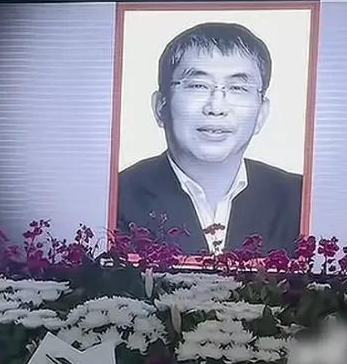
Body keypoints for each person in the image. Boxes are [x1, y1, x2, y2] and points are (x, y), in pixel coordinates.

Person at [117, 22, 303, 254]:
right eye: (198, 85)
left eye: (237, 88)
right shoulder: (115, 199)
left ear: (261, 114)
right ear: (160, 107)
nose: (216, 107)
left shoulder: (300, 199)